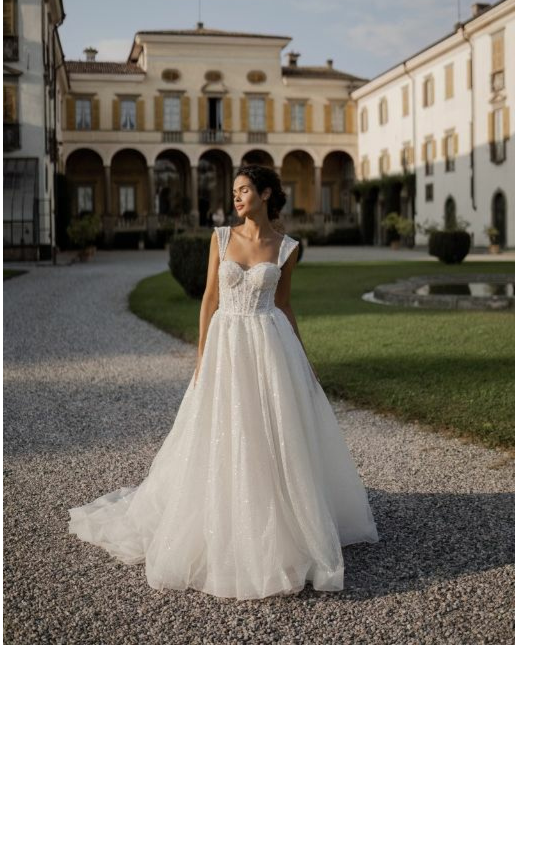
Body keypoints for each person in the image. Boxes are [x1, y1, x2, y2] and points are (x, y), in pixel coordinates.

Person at [68, 163, 379, 600]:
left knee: (273, 430)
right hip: (227, 342)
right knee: (221, 429)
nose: (237, 197)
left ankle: (279, 519)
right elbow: (211, 299)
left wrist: (303, 357)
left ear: (267, 194)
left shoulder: (287, 247)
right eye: (235, 191)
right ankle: (224, 515)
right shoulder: (221, 238)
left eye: (245, 189)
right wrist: (201, 353)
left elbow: (285, 304)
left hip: (271, 344)